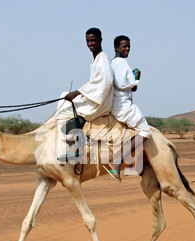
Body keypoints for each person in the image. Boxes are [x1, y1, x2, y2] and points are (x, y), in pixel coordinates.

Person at [55, 28, 113, 163]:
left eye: (93, 40)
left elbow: (105, 82)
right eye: (87, 41)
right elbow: (96, 83)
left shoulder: (102, 59)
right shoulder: (97, 59)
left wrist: (78, 92)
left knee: (62, 112)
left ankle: (73, 149)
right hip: (96, 97)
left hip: (99, 103)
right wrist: (80, 92)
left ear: (100, 40)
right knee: (63, 96)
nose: (90, 44)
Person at [103, 35, 152, 182]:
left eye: (129, 46)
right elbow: (130, 85)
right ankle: (117, 160)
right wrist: (136, 77)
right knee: (145, 131)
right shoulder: (121, 63)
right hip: (123, 106)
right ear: (116, 47)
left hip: (119, 103)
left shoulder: (112, 63)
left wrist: (134, 80)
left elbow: (129, 87)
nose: (127, 49)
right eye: (124, 46)